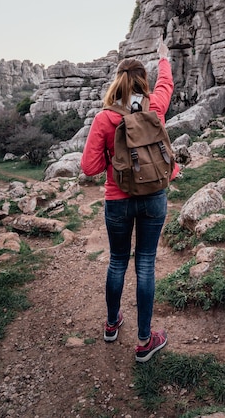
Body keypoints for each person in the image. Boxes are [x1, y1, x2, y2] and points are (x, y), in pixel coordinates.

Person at [81, 37, 178, 362]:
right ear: (142, 82)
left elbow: (89, 167)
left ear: (117, 83)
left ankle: (111, 325)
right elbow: (167, 84)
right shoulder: (155, 107)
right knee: (146, 263)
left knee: (118, 262)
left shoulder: (105, 118)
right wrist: (163, 57)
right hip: (154, 197)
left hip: (118, 200)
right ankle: (143, 341)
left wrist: (115, 160)